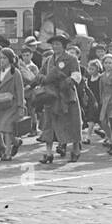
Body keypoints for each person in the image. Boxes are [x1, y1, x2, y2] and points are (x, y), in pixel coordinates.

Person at [38, 32, 83, 164]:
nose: (55, 46)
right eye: (53, 44)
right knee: (49, 124)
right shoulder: (48, 60)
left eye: (58, 44)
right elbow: (40, 74)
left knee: (72, 123)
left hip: (66, 96)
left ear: (63, 46)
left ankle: (75, 149)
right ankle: (48, 153)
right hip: (51, 97)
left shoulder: (72, 59)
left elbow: (77, 76)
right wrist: (43, 79)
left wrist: (65, 82)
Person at [0, 48, 26, 161]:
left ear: (10, 59)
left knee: (7, 129)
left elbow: (20, 91)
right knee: (1, 129)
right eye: (1, 58)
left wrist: (21, 106)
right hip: (0, 105)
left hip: (12, 105)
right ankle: (16, 141)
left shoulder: (16, 73)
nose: (2, 60)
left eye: (4, 58)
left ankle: (8, 152)